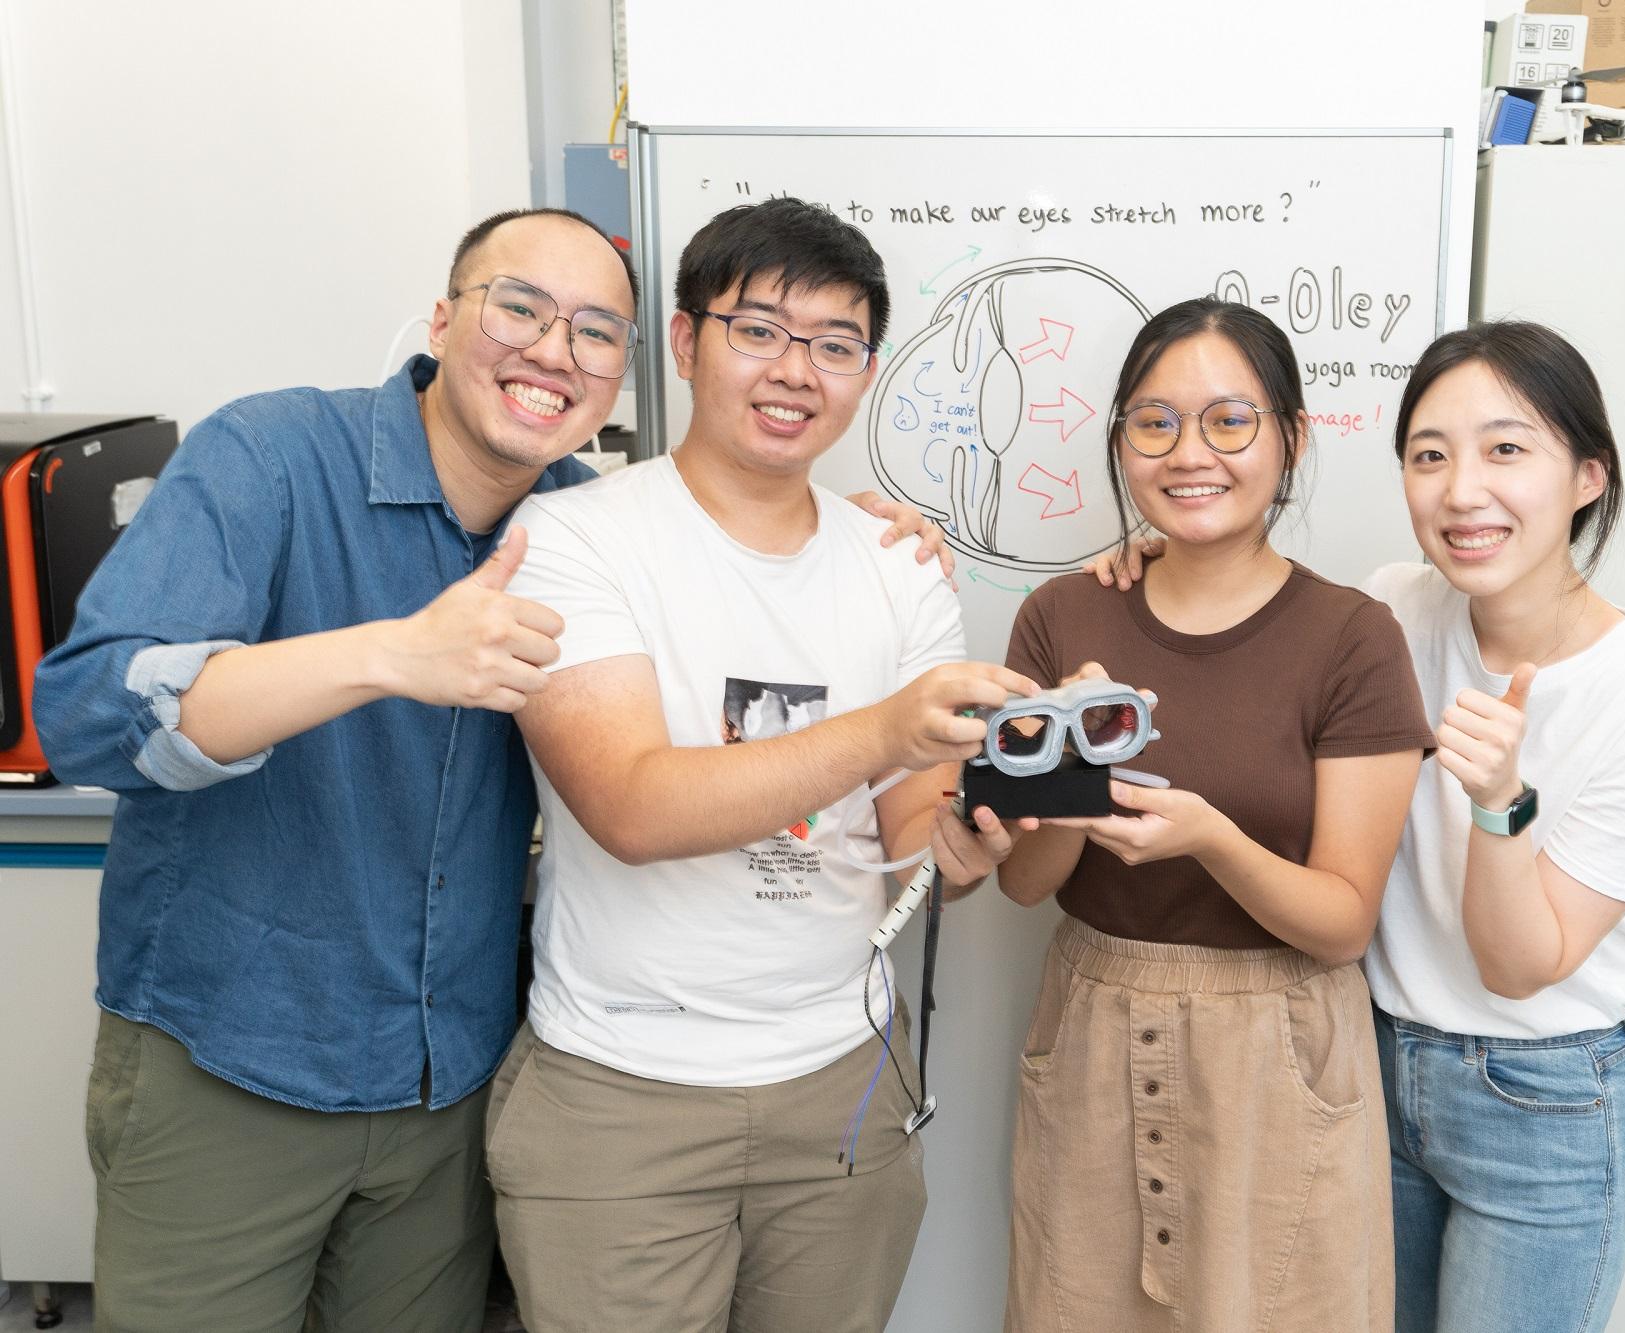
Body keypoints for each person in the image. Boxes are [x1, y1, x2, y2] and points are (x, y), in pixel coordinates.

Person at [34, 205, 950, 1332]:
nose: (553, 351)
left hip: (445, 1082)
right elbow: (85, 714)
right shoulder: (272, 456)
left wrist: (850, 536)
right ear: (442, 316)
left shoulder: (575, 521)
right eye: (519, 306)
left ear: (626, 366)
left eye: (592, 332)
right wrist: (386, 653)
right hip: (236, 1054)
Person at [1089, 320, 1625, 1333]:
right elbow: (1234, 589)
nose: (1461, 490)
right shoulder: (1388, 611)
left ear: (1587, 475)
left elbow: (1519, 964)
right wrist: (1155, 553)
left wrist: (1498, 805)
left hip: (1542, 1097)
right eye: (1428, 455)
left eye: (1505, 450)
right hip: (1367, 1059)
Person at [483, 197, 1031, 1333]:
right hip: (620, 1086)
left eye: (835, 345)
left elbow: (911, 838)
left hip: (843, 1080)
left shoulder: (899, 568)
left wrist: (963, 842)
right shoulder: (573, 543)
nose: (797, 371)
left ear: (865, 371)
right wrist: (886, 729)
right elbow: (629, 804)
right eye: (761, 331)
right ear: (685, 343)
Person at [996, 297, 1433, 1332]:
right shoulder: (1064, 616)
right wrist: (1066, 775)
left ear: (1289, 437)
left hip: (1278, 1047)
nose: (1188, 452)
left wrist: (1210, 839)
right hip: (1095, 1031)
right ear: (1120, 444)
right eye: (1153, 423)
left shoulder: (1351, 637)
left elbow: (1340, 922)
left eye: (1228, 421)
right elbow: (1022, 882)